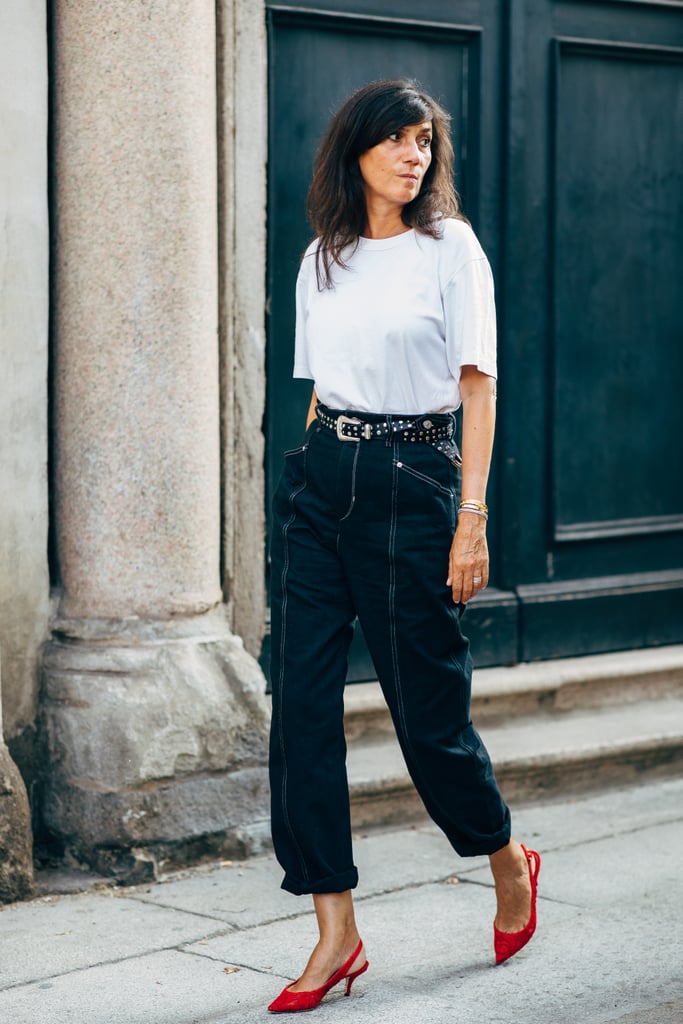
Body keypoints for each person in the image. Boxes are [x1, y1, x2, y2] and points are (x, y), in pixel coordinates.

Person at [267, 79, 541, 1014]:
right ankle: (335, 933)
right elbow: (319, 389)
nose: (413, 155)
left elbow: (477, 386)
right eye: (395, 140)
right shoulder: (321, 258)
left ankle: (504, 856)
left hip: (417, 487)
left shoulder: (448, 249)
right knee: (300, 712)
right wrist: (305, 479)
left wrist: (471, 517)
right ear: (355, 152)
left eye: (424, 141)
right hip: (323, 485)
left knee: (427, 716)